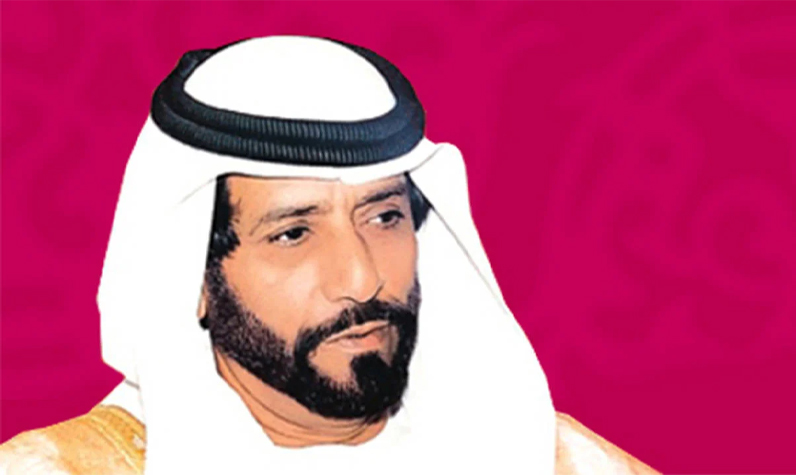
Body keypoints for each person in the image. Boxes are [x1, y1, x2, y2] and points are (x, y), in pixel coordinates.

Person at [0, 36, 660, 475]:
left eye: (384, 217)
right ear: (193, 278)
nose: (362, 278)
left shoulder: (554, 460)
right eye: (294, 233)